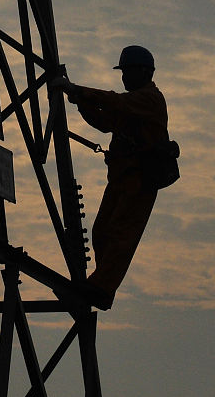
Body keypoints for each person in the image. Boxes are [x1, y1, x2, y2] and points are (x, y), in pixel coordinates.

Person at [53, 45, 169, 310]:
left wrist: (77, 91)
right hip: (122, 178)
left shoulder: (149, 99)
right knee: (103, 231)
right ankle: (100, 287)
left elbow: (115, 102)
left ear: (144, 72)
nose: (124, 78)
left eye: (128, 72)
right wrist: (79, 100)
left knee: (121, 235)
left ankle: (101, 288)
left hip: (140, 180)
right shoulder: (134, 104)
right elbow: (106, 122)